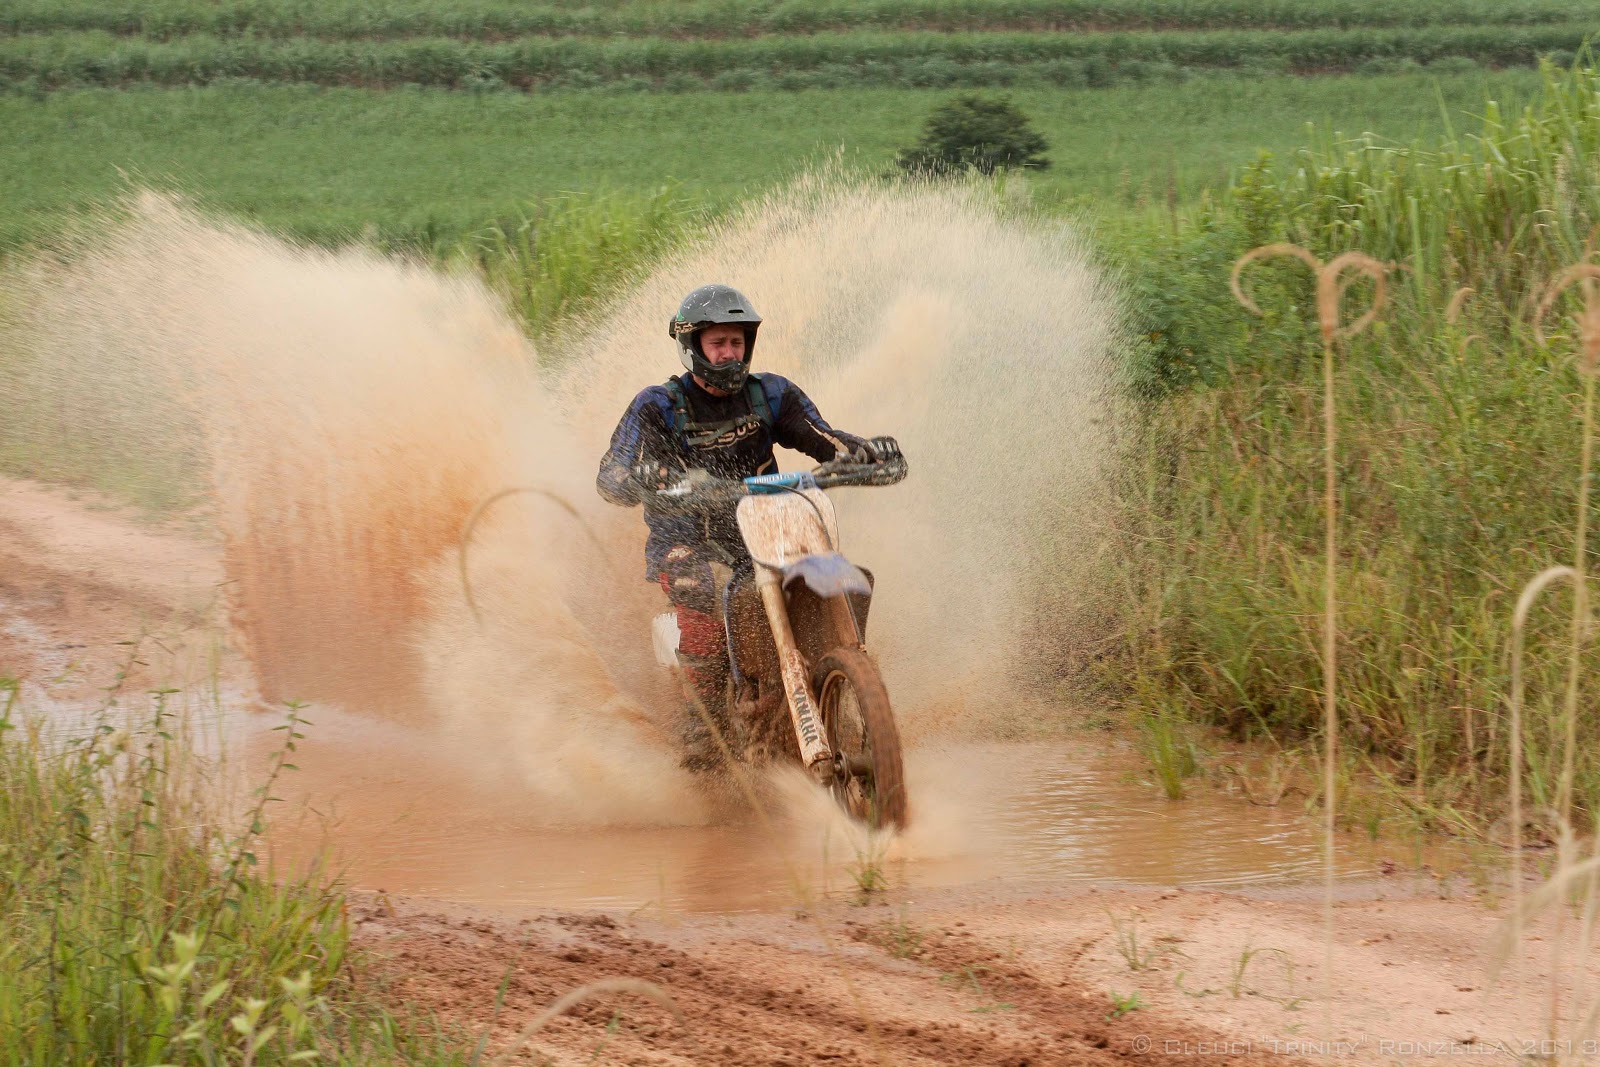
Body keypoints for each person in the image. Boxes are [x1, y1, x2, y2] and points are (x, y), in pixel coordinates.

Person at [596, 283, 903, 769]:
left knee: (841, 577)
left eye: (737, 342)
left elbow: (825, 438)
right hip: (687, 538)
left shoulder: (771, 394)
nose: (729, 354)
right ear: (692, 346)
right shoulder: (656, 406)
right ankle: (705, 728)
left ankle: (839, 683)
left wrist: (860, 451)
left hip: (763, 529)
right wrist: (643, 477)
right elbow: (610, 475)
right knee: (697, 591)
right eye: (718, 343)